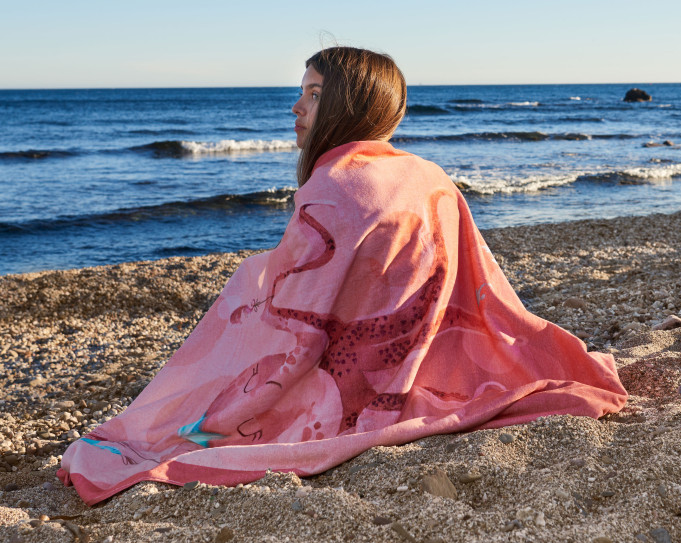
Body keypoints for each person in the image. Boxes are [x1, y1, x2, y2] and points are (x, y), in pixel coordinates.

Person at [58, 46, 626, 505]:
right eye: (300, 92)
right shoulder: (427, 173)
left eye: (313, 94)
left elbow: (300, 324)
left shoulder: (332, 186)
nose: (296, 108)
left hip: (351, 378)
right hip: (419, 354)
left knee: (229, 331)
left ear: (348, 106)